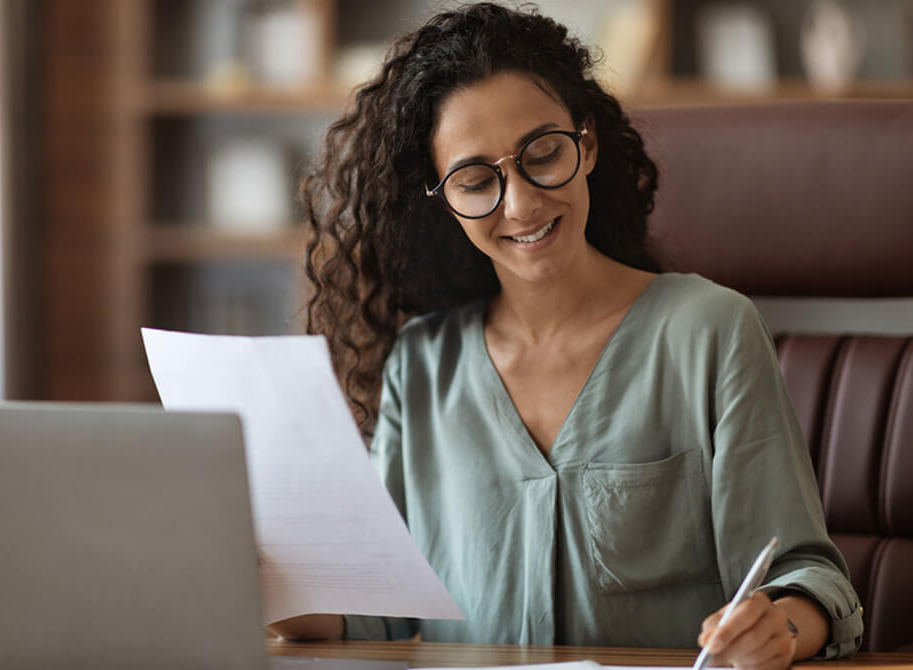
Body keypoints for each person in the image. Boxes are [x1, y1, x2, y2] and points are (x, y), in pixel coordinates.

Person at [270, 3, 864, 668]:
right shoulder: (423, 364)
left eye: (542, 154)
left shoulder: (708, 331)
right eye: (476, 180)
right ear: (441, 199)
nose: (521, 203)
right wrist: (263, 580)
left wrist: (779, 626)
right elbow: (378, 606)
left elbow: (811, 578)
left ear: (586, 145)